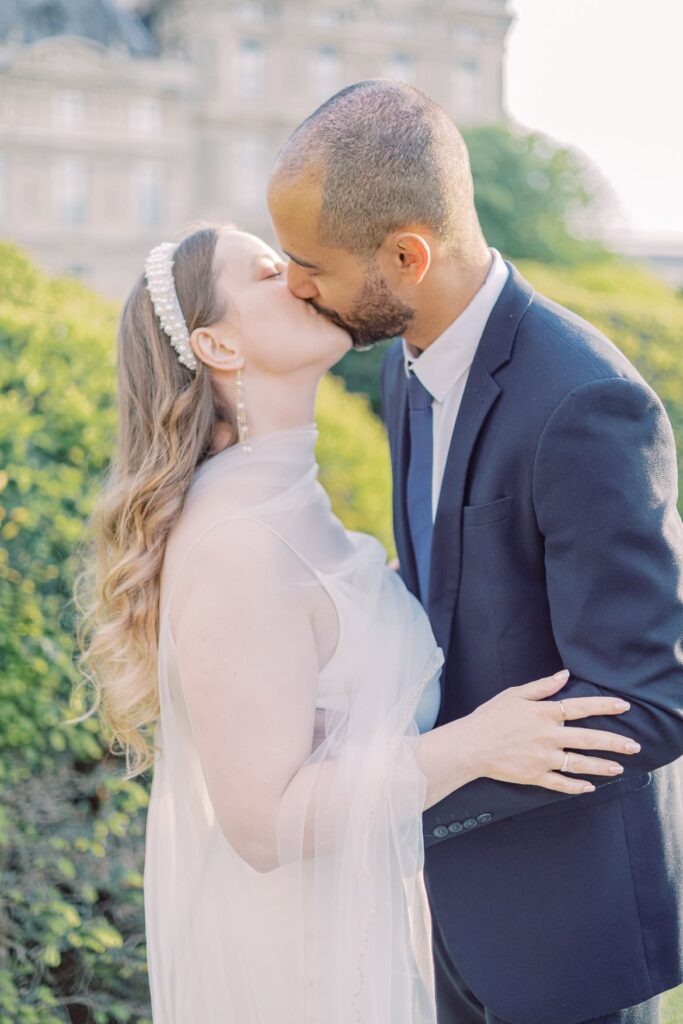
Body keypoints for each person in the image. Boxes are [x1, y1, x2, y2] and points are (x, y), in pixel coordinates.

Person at [76, 223, 639, 1023]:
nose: (303, 279)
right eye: (270, 274)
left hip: (380, 922)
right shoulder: (238, 544)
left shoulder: (286, 499)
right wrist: (479, 744)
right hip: (311, 969)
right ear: (217, 346)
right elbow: (261, 824)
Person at [266, 79, 683, 1024]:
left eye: (308, 265)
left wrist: (417, 786)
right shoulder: (402, 365)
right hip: (450, 917)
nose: (293, 286)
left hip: (568, 941)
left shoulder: (584, 404)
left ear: (405, 256)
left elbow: (650, 701)